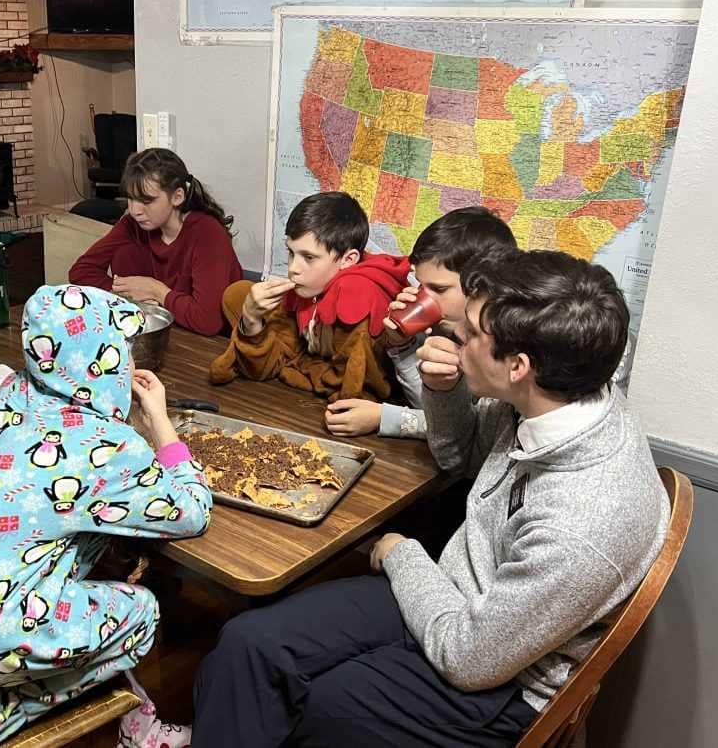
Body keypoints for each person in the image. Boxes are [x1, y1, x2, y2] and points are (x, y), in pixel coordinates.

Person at [189, 249, 670, 748]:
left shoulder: (583, 520)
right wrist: (443, 390)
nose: (455, 333)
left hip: (502, 680)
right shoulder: (560, 391)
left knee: (324, 704)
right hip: (454, 597)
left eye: (472, 333)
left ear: (518, 366)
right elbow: (459, 455)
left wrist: (402, 554)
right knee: (251, 645)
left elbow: (469, 658)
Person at [0, 285, 213, 748]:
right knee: (141, 613)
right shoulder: (106, 447)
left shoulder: (14, 393)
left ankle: (136, 723)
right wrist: (160, 421)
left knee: (96, 576)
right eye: (123, 347)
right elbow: (192, 511)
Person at [325, 206, 515, 438]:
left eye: (439, 289)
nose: (424, 297)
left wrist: (384, 417)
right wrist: (403, 343)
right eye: (421, 285)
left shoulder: (504, 350)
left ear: (485, 288)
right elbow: (431, 407)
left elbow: (469, 429)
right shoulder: (442, 329)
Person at [210, 191, 411, 401]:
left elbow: (355, 392)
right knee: (238, 294)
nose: (293, 268)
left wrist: (301, 365)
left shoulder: (358, 296)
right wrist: (251, 319)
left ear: (348, 259)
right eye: (291, 253)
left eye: (308, 257)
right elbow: (264, 366)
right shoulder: (309, 286)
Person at [68, 148, 243, 336]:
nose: (135, 210)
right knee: (124, 252)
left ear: (177, 197)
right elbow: (81, 271)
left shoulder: (208, 233)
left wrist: (156, 291)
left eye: (146, 201)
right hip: (161, 330)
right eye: (130, 198)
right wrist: (127, 293)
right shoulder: (131, 224)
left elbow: (208, 321)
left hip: (213, 342)